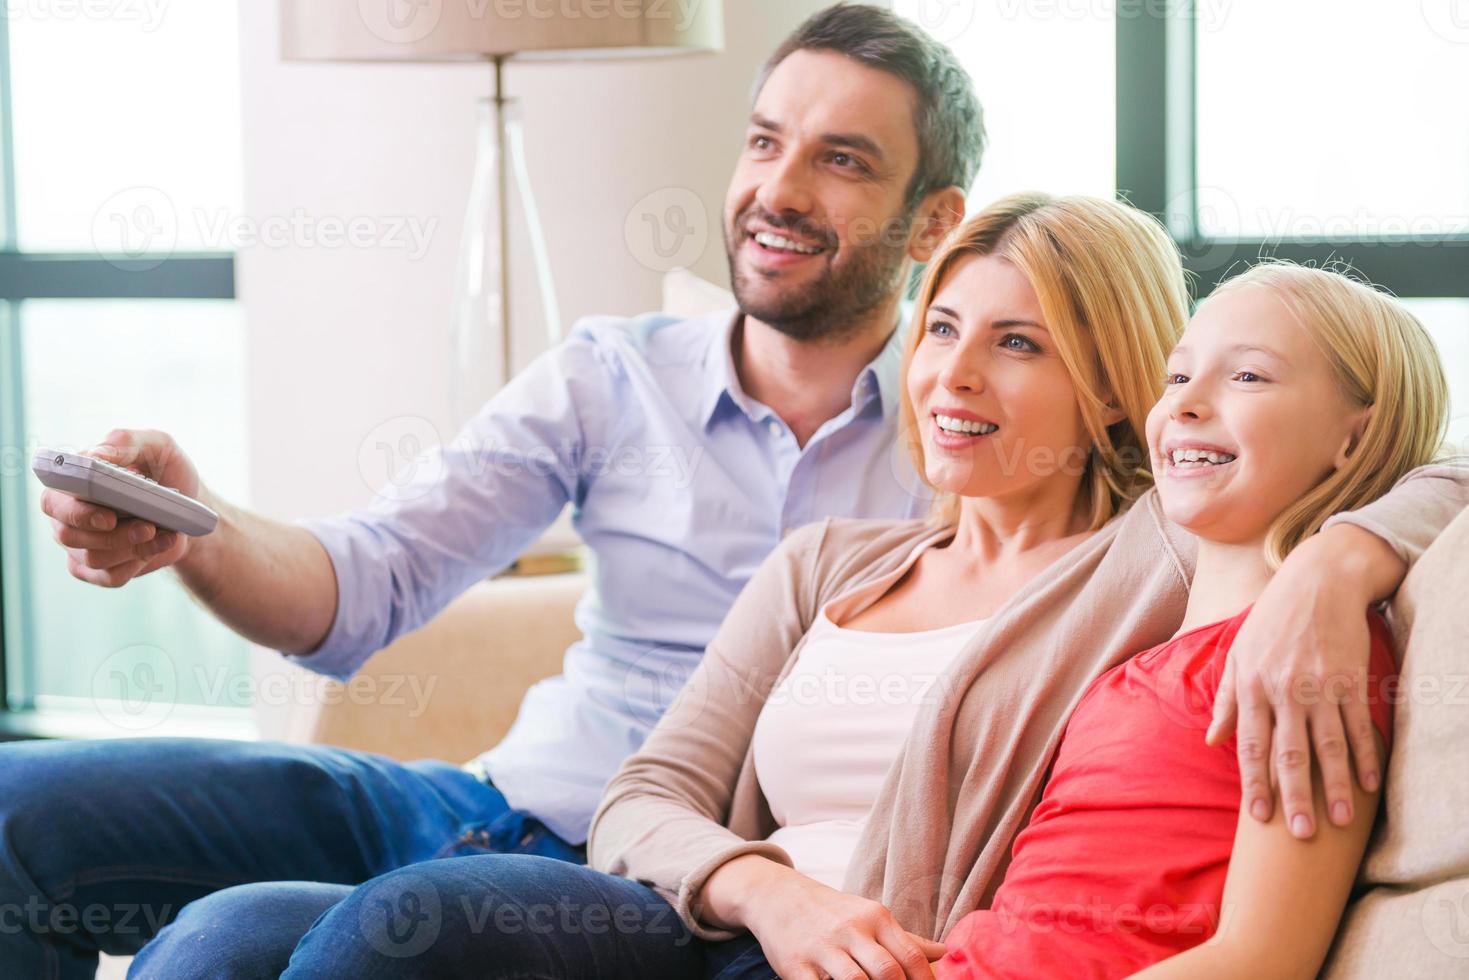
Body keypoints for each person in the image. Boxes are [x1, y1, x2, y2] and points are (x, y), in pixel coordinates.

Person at [235, 195, 1464, 979]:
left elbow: (1420, 451)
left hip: (869, 947)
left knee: (425, 924)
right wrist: (762, 888)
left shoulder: (1156, 557)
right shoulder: (831, 559)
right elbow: (643, 798)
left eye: (1017, 340)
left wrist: (1338, 558)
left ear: (1109, 391)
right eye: (938, 329)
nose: (951, 374)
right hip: (714, 910)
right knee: (228, 930)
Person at [934, 261, 1447, 977]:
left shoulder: (1307, 655)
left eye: (1247, 377)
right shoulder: (1130, 659)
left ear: (1353, 441)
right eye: (1176, 377)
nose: (1185, 403)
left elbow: (1260, 957)